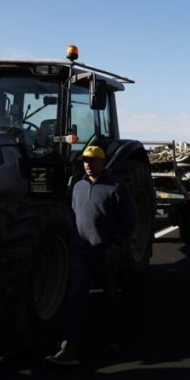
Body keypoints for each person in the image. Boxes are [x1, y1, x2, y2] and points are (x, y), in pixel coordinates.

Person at [46, 145, 136, 366]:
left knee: (110, 296)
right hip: (81, 251)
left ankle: (111, 339)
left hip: (106, 251)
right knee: (75, 296)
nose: (87, 164)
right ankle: (70, 346)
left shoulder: (116, 187)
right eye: (85, 160)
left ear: (102, 162)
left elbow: (129, 218)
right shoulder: (78, 187)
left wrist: (116, 243)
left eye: (92, 160)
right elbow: (74, 214)